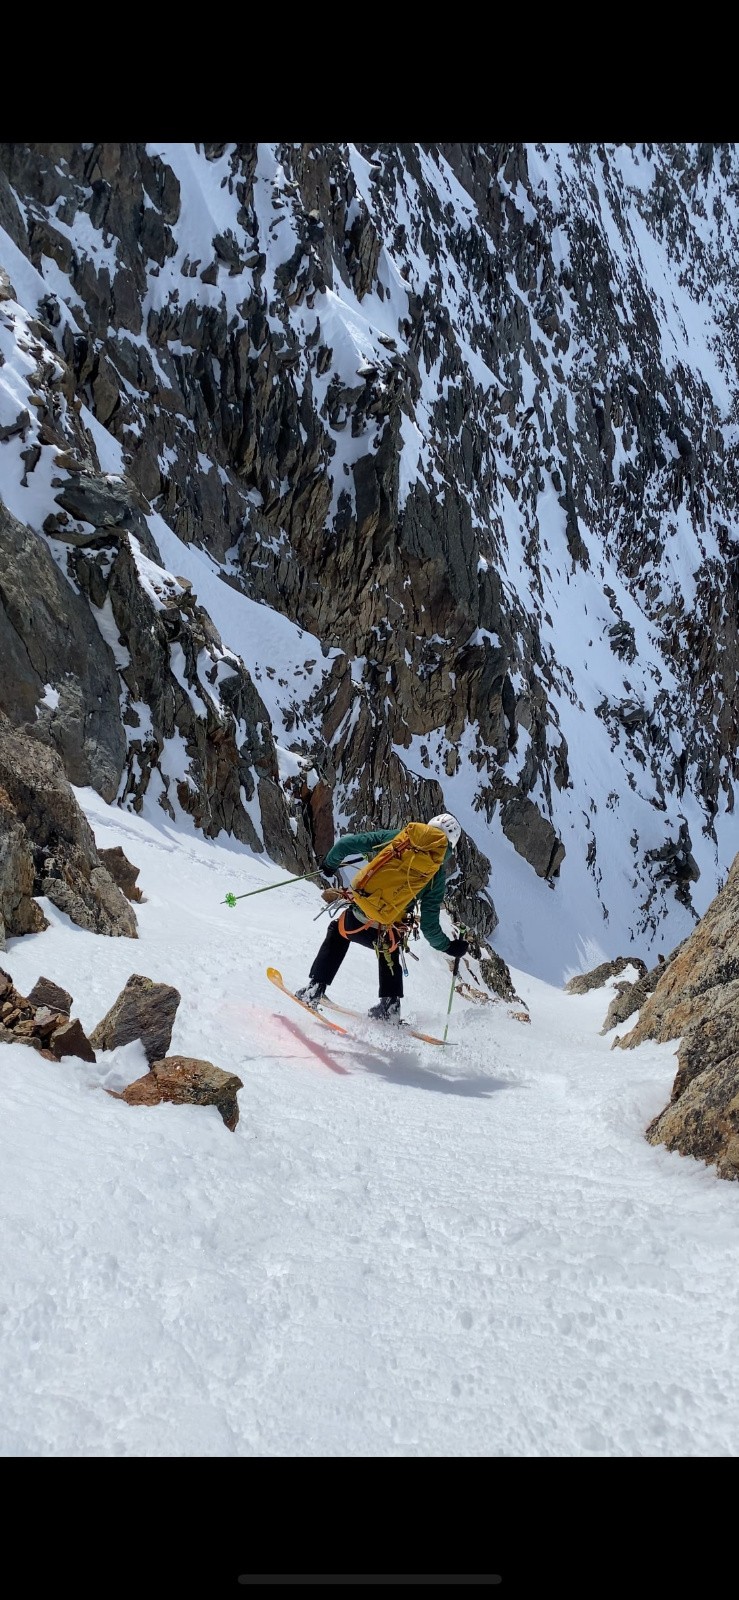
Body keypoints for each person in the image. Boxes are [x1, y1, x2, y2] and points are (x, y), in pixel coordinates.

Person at [296, 813, 469, 1023]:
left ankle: (315, 988)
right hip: (387, 932)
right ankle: (390, 1006)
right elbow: (429, 927)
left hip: (356, 922)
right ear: (450, 844)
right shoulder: (436, 874)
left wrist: (330, 865)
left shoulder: (398, 838)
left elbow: (345, 844)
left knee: (337, 930)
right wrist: (449, 947)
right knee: (390, 948)